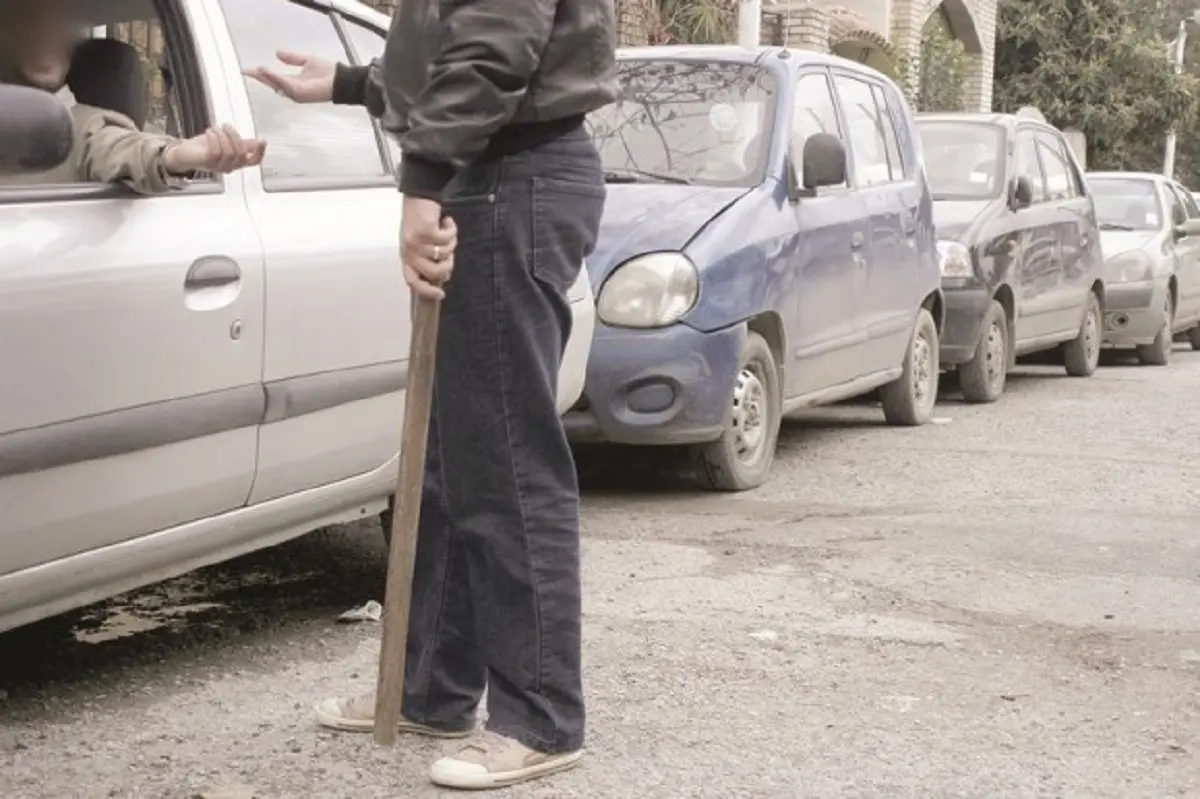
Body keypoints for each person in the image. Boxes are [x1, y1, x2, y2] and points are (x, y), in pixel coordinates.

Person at [245, 0, 617, 790]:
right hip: (496, 171)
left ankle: (541, 717)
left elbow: (494, 47)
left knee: (508, 460)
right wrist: (352, 82)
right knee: (455, 460)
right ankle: (433, 692)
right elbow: (465, 44)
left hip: (509, 176)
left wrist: (425, 178)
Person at [0, 0, 264, 192]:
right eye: (29, 23)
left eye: (61, 29)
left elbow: (123, 150)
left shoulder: (84, 126)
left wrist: (176, 156)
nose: (49, 36)